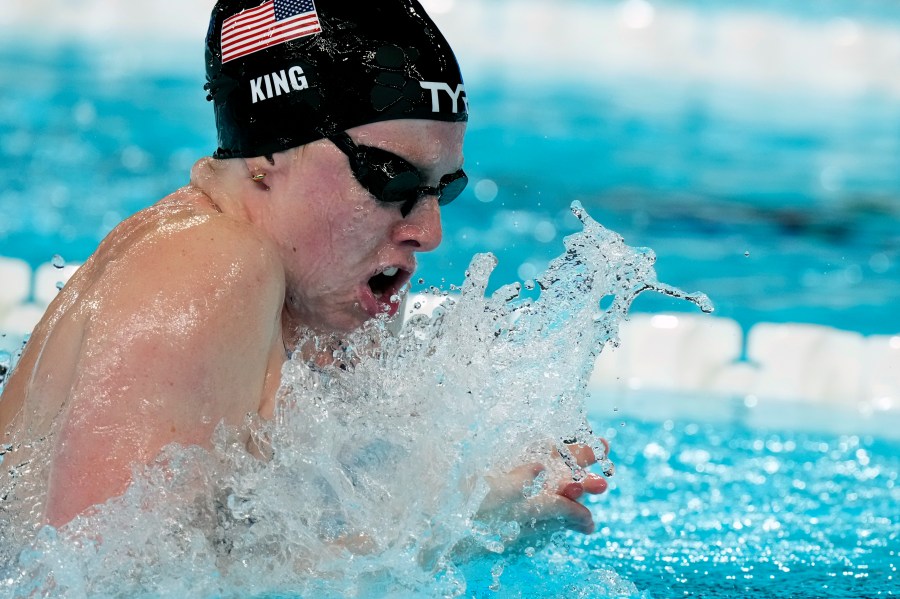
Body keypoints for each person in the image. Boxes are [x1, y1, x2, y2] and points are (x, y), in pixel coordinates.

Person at [0, 0, 607, 545]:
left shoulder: (324, 297)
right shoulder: (212, 264)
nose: (429, 231)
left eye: (441, 190)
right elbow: (95, 581)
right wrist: (461, 527)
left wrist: (492, 483)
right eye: (389, 178)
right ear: (267, 157)